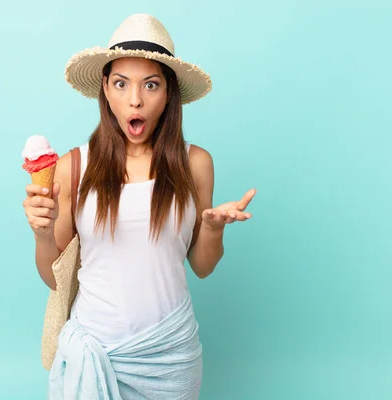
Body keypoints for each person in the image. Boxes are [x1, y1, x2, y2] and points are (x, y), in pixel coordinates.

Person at [22, 13, 256, 399]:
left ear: (168, 93)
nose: (135, 99)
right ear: (105, 89)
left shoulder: (195, 163)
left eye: (151, 85)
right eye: (121, 84)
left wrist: (212, 228)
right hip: (96, 352)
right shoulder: (74, 167)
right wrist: (42, 234)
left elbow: (202, 267)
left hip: (170, 357)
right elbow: (54, 278)